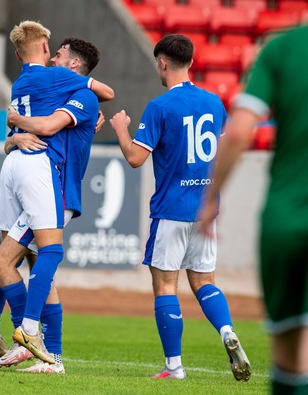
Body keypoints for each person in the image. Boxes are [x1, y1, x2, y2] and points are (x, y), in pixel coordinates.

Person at [109, 34, 251, 381]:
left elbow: (135, 158)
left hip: (172, 208)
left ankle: (174, 368)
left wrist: (121, 130)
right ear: (190, 61)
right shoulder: (214, 103)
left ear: (162, 63)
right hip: (205, 209)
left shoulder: (160, 107)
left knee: (166, 286)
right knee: (204, 281)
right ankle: (227, 331)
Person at [0, 21, 114, 368]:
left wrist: (17, 121)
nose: (54, 55)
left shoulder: (82, 96)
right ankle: (50, 355)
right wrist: (13, 137)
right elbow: (29, 130)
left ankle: (27, 335)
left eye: (60, 54)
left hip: (60, 192)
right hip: (42, 187)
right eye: (52, 50)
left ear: (73, 65)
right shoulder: (58, 90)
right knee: (28, 267)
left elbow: (45, 127)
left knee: (13, 260)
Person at [199, 25, 308, 394]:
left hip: (286, 218)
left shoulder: (282, 49)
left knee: (289, 352)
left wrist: (211, 198)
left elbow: (242, 129)